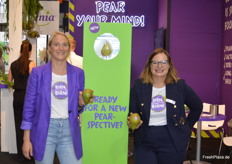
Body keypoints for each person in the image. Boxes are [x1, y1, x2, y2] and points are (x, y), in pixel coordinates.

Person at [21, 31, 92, 164]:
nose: (61, 48)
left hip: (69, 131)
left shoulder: (78, 74)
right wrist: (26, 138)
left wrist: (81, 104)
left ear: (69, 48)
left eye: (65, 45)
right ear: (50, 48)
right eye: (57, 44)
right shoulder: (37, 73)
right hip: (44, 130)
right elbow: (29, 106)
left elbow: (77, 108)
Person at [128, 48, 203, 164]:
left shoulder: (179, 86)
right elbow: (132, 111)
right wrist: (132, 120)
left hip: (173, 141)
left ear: (169, 65)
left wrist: (186, 127)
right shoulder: (139, 85)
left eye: (164, 62)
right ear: (149, 65)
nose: (159, 66)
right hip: (144, 141)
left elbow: (197, 106)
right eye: (155, 62)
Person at [8, 40, 36, 161]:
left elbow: (9, 81)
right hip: (28, 98)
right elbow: (35, 78)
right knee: (30, 125)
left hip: (17, 97)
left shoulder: (13, 64)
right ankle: (30, 154)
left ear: (20, 51)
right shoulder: (32, 64)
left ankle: (20, 156)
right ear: (30, 52)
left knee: (18, 125)